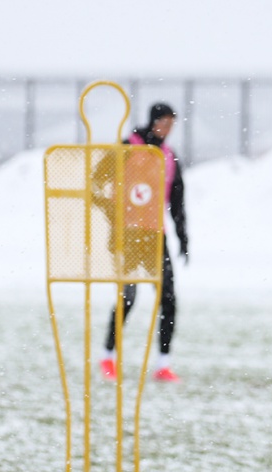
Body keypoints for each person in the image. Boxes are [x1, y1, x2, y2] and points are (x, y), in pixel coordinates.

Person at [100, 102, 189, 383]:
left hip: (155, 235)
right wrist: (113, 211)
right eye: (163, 122)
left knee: (169, 299)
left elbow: (177, 203)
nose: (166, 129)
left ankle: (163, 364)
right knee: (128, 298)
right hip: (126, 235)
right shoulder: (128, 147)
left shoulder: (169, 157)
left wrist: (183, 236)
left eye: (171, 125)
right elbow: (96, 182)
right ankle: (108, 357)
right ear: (153, 121)